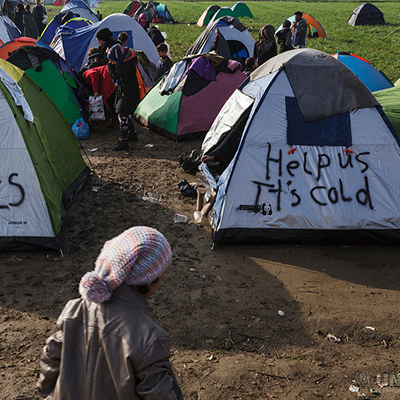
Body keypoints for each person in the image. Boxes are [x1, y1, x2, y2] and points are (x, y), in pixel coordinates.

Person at [37, 226, 184, 400]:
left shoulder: (74, 311)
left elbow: (51, 358)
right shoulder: (149, 338)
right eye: (162, 274)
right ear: (149, 280)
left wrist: (48, 394)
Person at [107, 38, 140, 151]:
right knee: (126, 113)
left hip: (129, 91)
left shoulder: (125, 65)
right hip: (128, 90)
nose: (111, 62)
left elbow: (115, 75)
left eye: (112, 60)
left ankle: (124, 140)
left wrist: (109, 66)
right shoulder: (126, 60)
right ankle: (132, 133)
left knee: (122, 113)